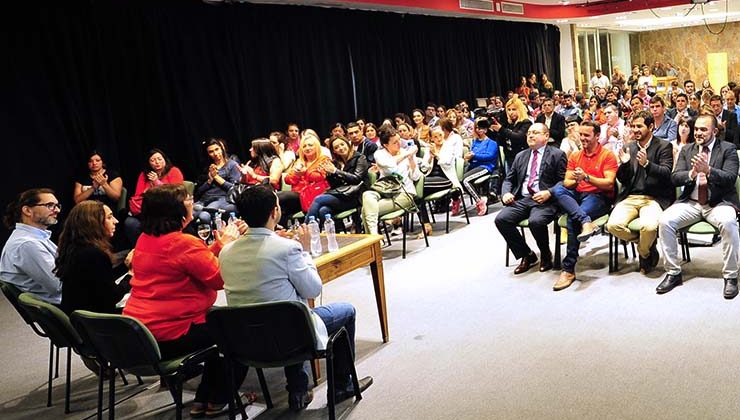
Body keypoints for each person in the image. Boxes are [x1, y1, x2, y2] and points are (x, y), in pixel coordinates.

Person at [219, 185, 373, 411]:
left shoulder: (226, 251)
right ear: (274, 212)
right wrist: (305, 250)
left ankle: (299, 390)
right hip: (289, 337)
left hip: (247, 343)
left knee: (285, 311)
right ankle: (341, 386)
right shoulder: (288, 248)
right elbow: (313, 290)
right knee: (342, 311)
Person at [123, 184, 242, 417]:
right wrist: (226, 247)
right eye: (188, 200)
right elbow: (218, 279)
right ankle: (219, 400)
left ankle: (203, 400)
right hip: (172, 332)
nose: (192, 203)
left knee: (219, 323)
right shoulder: (182, 243)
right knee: (238, 331)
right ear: (174, 211)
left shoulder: (145, 239)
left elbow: (190, 262)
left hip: (141, 331)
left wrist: (216, 246)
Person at [656, 114, 740, 299]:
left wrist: (708, 170)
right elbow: (675, 177)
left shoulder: (728, 149)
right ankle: (673, 272)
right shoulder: (687, 149)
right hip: (691, 203)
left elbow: (730, 178)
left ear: (715, 131)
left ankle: (731, 276)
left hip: (718, 202)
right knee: (665, 220)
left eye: (704, 129)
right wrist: (692, 174)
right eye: (697, 129)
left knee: (728, 222)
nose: (698, 133)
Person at [551, 122, 618, 291]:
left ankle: (568, 270)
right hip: (578, 194)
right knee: (558, 189)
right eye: (581, 135)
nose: (583, 138)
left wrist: (586, 177)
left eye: (587, 135)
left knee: (573, 220)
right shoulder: (575, 156)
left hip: (598, 197)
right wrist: (578, 179)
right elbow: (567, 182)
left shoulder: (607, 155)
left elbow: (609, 184)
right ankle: (585, 221)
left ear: (597, 136)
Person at [606, 111, 674, 275]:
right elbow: (622, 179)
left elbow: (666, 173)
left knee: (649, 227)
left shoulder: (664, 146)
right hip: (630, 197)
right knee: (613, 226)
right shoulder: (629, 147)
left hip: (654, 198)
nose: (635, 130)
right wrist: (624, 165)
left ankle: (643, 253)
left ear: (651, 126)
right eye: (633, 126)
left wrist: (647, 164)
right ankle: (647, 248)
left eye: (639, 126)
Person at [495, 123, 567, 274]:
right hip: (522, 199)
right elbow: (509, 180)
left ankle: (545, 253)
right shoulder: (521, 155)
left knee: (536, 221)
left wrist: (549, 192)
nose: (530, 136)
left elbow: (564, 182)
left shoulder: (557, 154)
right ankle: (527, 254)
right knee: (501, 219)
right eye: (528, 133)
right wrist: (506, 193)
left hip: (545, 200)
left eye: (535, 132)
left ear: (546, 136)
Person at [56, 201, 129, 314]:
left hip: (81, 317)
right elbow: (112, 297)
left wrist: (125, 269)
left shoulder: (73, 247)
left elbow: (102, 280)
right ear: (94, 223)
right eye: (109, 217)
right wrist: (131, 275)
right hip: (97, 321)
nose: (116, 221)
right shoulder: (94, 254)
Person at [0, 188, 62, 304]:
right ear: (27, 211)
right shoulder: (27, 244)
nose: (57, 210)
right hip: (66, 306)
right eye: (50, 205)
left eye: (57, 206)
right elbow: (58, 286)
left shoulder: (34, 238)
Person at [361, 127, 420, 235]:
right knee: (367, 194)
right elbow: (391, 165)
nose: (399, 144)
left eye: (399, 140)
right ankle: (375, 239)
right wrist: (407, 155)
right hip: (384, 190)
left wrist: (411, 160)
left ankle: (374, 240)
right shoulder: (379, 154)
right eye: (395, 142)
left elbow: (416, 177)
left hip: (404, 192)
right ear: (385, 145)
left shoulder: (406, 152)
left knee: (366, 211)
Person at [305, 136, 368, 230]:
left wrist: (336, 171)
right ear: (334, 151)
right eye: (337, 147)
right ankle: (338, 235)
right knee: (323, 210)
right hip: (342, 194)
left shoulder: (359, 158)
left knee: (319, 199)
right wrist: (328, 174)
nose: (341, 148)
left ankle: (305, 229)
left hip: (356, 196)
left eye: (342, 144)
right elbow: (334, 185)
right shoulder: (336, 163)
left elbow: (357, 178)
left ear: (348, 144)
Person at [124, 148, 184, 245]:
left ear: (165, 159)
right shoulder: (144, 175)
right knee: (130, 222)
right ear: (149, 163)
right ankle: (142, 248)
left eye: (159, 159)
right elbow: (138, 195)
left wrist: (157, 183)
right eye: (153, 160)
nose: (157, 162)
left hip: (168, 209)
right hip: (148, 211)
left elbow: (177, 192)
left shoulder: (174, 171)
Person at [278, 133, 331, 226]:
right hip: (299, 196)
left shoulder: (324, 159)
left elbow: (321, 177)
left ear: (317, 147)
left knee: (281, 197)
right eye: (304, 146)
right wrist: (297, 175)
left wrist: (304, 173)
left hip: (315, 195)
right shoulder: (300, 161)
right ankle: (281, 232)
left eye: (310, 145)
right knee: (279, 208)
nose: (307, 148)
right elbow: (287, 180)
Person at [193, 138, 241, 224]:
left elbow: (234, 188)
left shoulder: (232, 165)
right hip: (204, 198)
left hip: (221, 198)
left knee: (204, 216)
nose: (215, 153)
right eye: (211, 152)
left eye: (217, 149)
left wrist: (217, 178)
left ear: (222, 149)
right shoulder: (206, 167)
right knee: (188, 214)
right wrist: (210, 180)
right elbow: (198, 191)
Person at [462, 119, 499, 215]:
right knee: (460, 181)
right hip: (474, 166)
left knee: (465, 181)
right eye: (477, 128)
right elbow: (473, 155)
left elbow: (489, 156)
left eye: (481, 128)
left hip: (485, 166)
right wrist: (469, 157)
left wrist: (474, 155)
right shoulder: (475, 142)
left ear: (486, 130)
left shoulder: (492, 143)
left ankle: (479, 202)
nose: (478, 130)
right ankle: (481, 199)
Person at [492, 97, 532, 170]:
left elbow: (519, 137)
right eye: (509, 110)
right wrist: (488, 131)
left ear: (519, 110)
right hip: (509, 157)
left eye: (514, 109)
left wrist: (501, 129)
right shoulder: (508, 124)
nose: (511, 112)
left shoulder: (526, 123)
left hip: (522, 158)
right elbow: (500, 141)